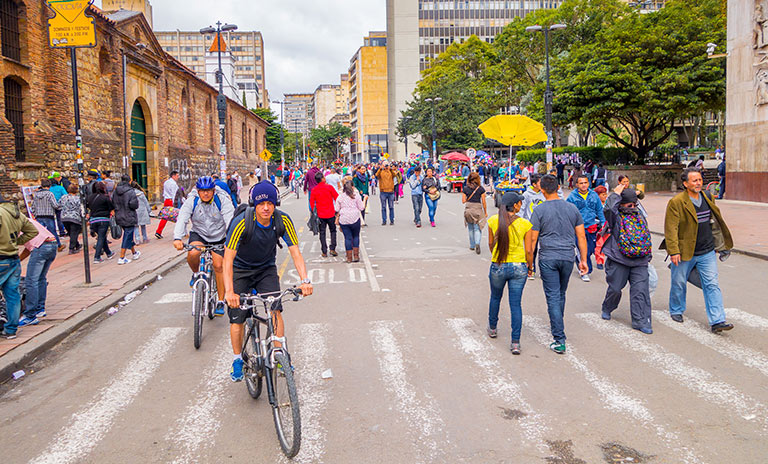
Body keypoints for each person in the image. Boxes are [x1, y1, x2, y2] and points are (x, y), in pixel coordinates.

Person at [223, 182, 312, 381]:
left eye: (270, 203)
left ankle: (278, 353)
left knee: (275, 308)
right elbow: (227, 259)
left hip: (266, 269)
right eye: (261, 203)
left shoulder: (282, 221)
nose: (266, 208)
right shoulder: (242, 222)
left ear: (275, 204)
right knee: (237, 316)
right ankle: (237, 359)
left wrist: (305, 280)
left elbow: (295, 252)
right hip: (240, 270)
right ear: (255, 204)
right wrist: (230, 292)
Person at [662, 168, 734, 333]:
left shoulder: (708, 197)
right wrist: (673, 251)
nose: (698, 183)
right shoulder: (677, 202)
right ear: (686, 184)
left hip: (707, 250)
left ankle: (717, 320)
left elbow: (713, 222)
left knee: (711, 284)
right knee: (679, 282)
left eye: (700, 180)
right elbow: (671, 228)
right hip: (684, 251)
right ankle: (677, 309)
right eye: (694, 181)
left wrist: (719, 245)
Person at [530, 175, 589, 355]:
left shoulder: (539, 210)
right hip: (568, 257)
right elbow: (581, 236)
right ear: (558, 188)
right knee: (561, 293)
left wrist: (529, 263)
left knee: (553, 296)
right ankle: (558, 325)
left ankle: (559, 338)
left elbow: (532, 239)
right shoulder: (572, 208)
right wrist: (584, 260)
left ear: (542, 189)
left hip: (548, 257)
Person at [174, 176, 235, 315]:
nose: (205, 194)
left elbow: (230, 220)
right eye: (202, 191)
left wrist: (230, 241)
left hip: (219, 236)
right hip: (199, 234)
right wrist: (177, 238)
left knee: (219, 266)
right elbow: (182, 218)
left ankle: (220, 301)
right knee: (193, 253)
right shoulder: (192, 200)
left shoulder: (222, 200)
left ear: (213, 191)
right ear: (198, 191)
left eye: (208, 191)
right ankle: (196, 274)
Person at [599, 184, 653, 334]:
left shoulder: (639, 215)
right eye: (629, 204)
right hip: (619, 259)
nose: (632, 207)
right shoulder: (615, 217)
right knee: (615, 289)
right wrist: (615, 194)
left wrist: (648, 255)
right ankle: (608, 307)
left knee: (640, 291)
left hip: (640, 260)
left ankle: (640, 320)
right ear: (621, 204)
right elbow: (608, 209)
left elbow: (645, 235)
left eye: (634, 204)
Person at [486, 192, 534, 354]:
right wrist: (530, 266)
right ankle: (515, 342)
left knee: (495, 297)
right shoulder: (525, 224)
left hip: (498, 265)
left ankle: (492, 328)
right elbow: (529, 250)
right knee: (515, 304)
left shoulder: (493, 221)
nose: (521, 205)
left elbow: (491, 244)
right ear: (515, 205)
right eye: (520, 203)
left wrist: (497, 254)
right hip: (519, 267)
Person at [0, 194, 38, 339]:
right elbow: (33, 231)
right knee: (13, 296)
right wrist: (16, 241)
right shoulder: (16, 213)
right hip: (13, 259)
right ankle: (11, 330)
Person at [18, 218, 58, 327]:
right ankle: (40, 309)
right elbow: (29, 246)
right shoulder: (25, 219)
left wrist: (17, 259)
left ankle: (30, 315)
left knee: (31, 281)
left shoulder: (11, 221)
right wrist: (19, 259)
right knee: (40, 278)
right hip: (52, 243)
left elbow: (32, 245)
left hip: (41, 247)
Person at [567, 175, 606, 282]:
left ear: (588, 184)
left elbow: (599, 210)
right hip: (578, 228)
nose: (583, 185)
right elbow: (568, 213)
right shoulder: (572, 197)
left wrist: (603, 223)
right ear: (577, 185)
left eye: (585, 183)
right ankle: (585, 271)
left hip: (592, 227)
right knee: (582, 250)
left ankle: (579, 260)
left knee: (591, 249)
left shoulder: (594, 195)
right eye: (581, 183)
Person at [112, 175, 141, 265]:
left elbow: (113, 202)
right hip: (129, 215)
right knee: (127, 234)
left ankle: (134, 252)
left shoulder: (115, 191)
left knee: (128, 234)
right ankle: (122, 257)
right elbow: (134, 205)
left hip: (119, 215)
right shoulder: (130, 191)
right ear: (129, 181)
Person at [310, 171, 339, 257]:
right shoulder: (329, 187)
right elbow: (337, 197)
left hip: (320, 214)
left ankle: (324, 251)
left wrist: (313, 212)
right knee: (333, 231)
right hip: (330, 213)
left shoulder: (314, 190)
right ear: (322, 179)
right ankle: (332, 248)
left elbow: (311, 203)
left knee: (322, 232)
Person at [335, 179, 364, 263]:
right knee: (356, 236)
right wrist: (364, 200)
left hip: (344, 219)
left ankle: (349, 258)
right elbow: (361, 208)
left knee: (347, 238)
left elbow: (336, 209)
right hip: (355, 218)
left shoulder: (340, 197)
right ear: (353, 187)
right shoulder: (356, 196)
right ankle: (356, 256)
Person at [31, 178, 63, 251]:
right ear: (50, 186)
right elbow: (55, 205)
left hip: (39, 215)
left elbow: (33, 206)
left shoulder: (36, 194)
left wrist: (35, 214)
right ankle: (58, 245)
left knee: (40, 233)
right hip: (48, 215)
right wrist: (60, 205)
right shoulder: (49, 194)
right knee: (52, 232)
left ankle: (38, 246)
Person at [87, 182, 115, 263]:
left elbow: (88, 207)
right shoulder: (105, 197)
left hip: (93, 220)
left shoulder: (90, 198)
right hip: (103, 219)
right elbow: (111, 208)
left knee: (102, 237)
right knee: (101, 238)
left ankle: (109, 253)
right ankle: (97, 257)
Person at [462, 172, 487, 254]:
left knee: (470, 228)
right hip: (478, 209)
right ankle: (477, 243)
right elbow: (483, 202)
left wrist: (468, 199)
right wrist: (485, 212)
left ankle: (472, 245)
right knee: (477, 228)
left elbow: (463, 201)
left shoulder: (465, 188)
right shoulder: (481, 189)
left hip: (468, 209)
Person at [155, 170, 180, 239]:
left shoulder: (166, 182)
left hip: (166, 200)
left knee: (165, 217)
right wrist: (175, 203)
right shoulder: (173, 184)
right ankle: (179, 232)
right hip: (171, 201)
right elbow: (174, 194)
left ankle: (158, 231)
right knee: (178, 216)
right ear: (173, 176)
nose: (178, 177)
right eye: (177, 176)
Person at [60, 184, 83, 254]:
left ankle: (77, 245)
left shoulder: (63, 197)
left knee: (71, 233)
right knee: (74, 233)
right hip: (74, 217)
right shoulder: (77, 198)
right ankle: (71, 248)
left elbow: (59, 205)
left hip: (64, 217)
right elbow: (80, 208)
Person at [375, 161, 397, 226]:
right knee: (383, 207)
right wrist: (380, 168)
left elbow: (395, 175)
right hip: (383, 191)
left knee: (391, 207)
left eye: (387, 165)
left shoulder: (390, 171)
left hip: (391, 191)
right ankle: (384, 220)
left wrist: (390, 169)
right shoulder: (381, 171)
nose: (386, 166)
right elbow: (377, 175)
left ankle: (392, 220)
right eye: (385, 165)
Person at [50, 172, 68, 237]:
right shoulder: (61, 188)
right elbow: (65, 195)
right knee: (59, 219)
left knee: (51, 219)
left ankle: (53, 232)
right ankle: (61, 232)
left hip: (51, 206)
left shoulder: (49, 189)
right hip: (59, 205)